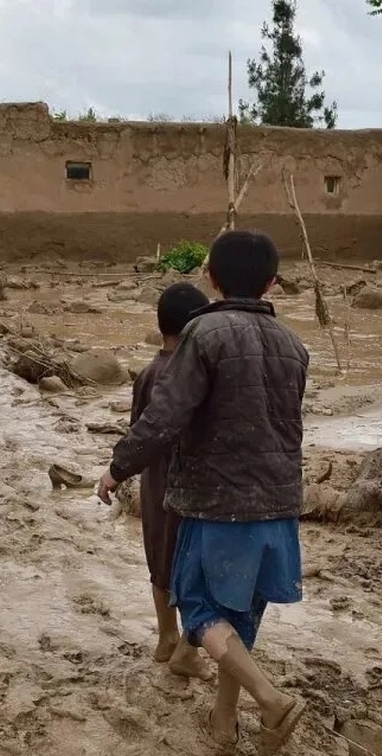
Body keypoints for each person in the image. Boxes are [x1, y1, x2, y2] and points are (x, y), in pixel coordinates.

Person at [96, 230, 309, 756]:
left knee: (197, 610)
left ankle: (271, 700)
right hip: (280, 505)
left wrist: (119, 467)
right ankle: (223, 724)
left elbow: (166, 415)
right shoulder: (293, 344)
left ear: (211, 279)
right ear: (272, 282)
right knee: (237, 619)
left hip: (218, 503)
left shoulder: (205, 332)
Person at [132, 281, 214, 681]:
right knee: (193, 567)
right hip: (192, 487)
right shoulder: (198, 377)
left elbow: (138, 432)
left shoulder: (147, 374)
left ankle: (167, 636)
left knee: (160, 563)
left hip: (154, 483)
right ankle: (186, 647)